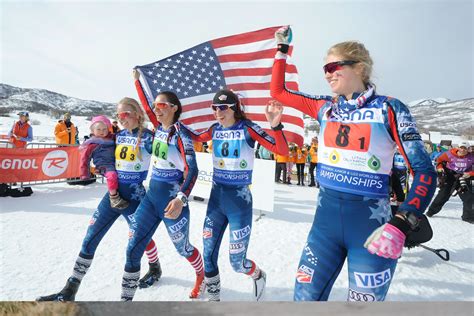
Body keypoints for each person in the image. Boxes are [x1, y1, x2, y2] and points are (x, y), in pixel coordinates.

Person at [271, 26, 437, 301]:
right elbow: (278, 91)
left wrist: (403, 221)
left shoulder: (389, 109)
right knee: (304, 299)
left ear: (359, 68)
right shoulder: (325, 107)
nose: (327, 73)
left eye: (334, 65)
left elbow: (424, 172)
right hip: (324, 230)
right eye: (324, 68)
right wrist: (282, 50)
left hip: (372, 231)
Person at [37, 98, 161, 301]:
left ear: (138, 114)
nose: (122, 119)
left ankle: (154, 268)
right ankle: (70, 290)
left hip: (135, 198)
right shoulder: (117, 135)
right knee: (89, 239)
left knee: (139, 242)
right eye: (119, 115)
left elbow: (168, 158)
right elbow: (98, 142)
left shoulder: (148, 138)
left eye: (126, 114)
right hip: (113, 197)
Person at [186, 90, 289, 301]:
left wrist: (276, 125)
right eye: (214, 108)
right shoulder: (214, 129)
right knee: (208, 255)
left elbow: (281, 150)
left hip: (239, 203)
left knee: (237, 262)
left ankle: (258, 275)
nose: (218, 112)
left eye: (222, 108)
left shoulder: (248, 128)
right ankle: (214, 299)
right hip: (216, 200)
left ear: (234, 108)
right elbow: (194, 137)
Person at [126, 71, 205, 301]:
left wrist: (181, 199)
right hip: (151, 198)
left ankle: (201, 275)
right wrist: (136, 81)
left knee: (183, 249)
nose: (156, 109)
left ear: (174, 108)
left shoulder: (181, 134)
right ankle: (153, 268)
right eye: (155, 105)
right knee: (135, 237)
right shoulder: (157, 126)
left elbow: (193, 169)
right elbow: (146, 106)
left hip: (172, 202)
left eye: (161, 105)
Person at [80, 115, 129, 209]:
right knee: (112, 175)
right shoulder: (92, 144)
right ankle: (114, 198)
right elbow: (84, 159)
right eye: (98, 129)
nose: (102, 132)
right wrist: (84, 173)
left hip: (115, 163)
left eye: (104, 129)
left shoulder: (112, 139)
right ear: (92, 130)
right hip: (103, 165)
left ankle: (122, 191)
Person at [426, 142, 474, 223]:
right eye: (461, 147)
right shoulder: (449, 154)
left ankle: (468, 217)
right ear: (458, 147)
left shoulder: (471, 156)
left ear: (468, 149)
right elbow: (439, 160)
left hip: (463, 178)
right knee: (443, 195)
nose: (463, 150)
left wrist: (470, 174)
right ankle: (431, 211)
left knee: (469, 197)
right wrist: (440, 168)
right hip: (450, 176)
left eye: (465, 148)